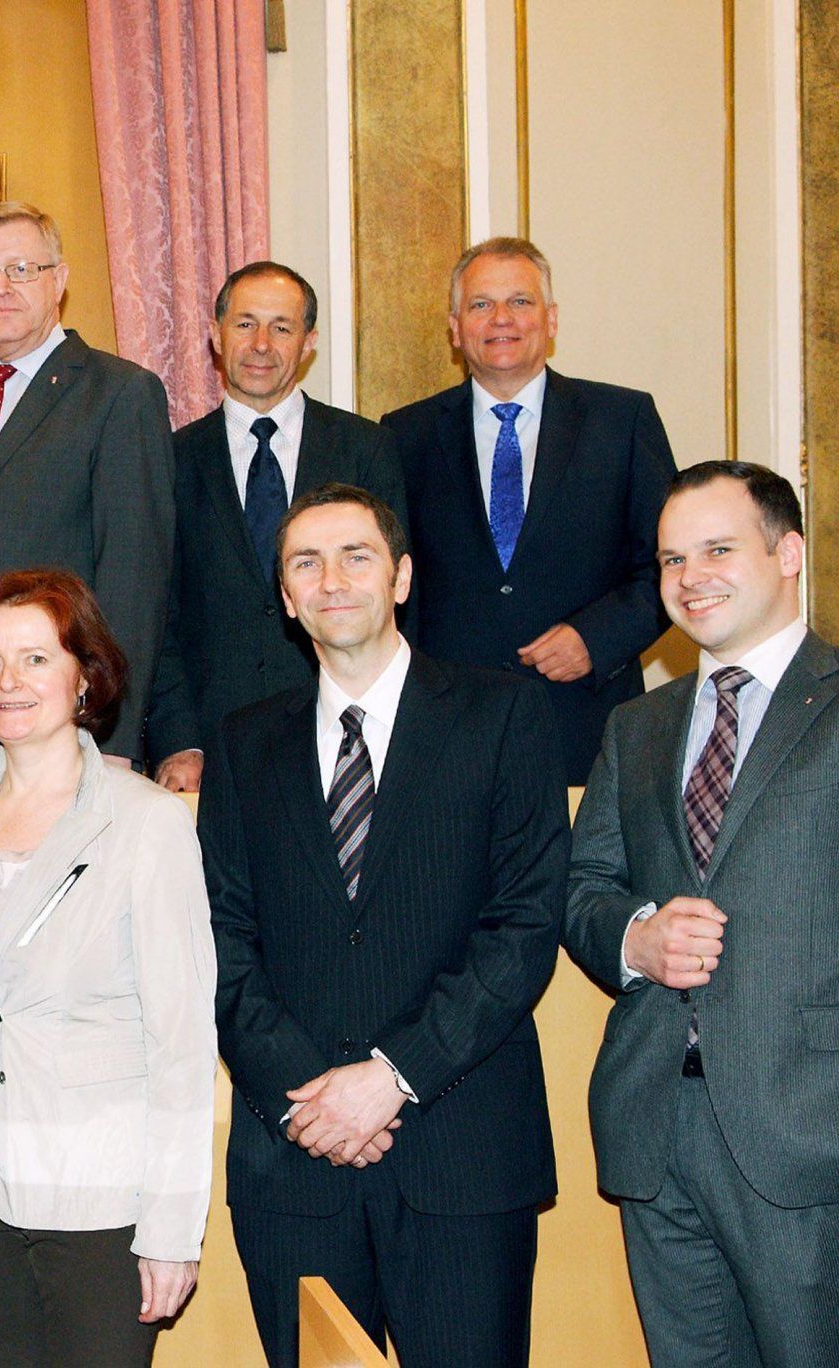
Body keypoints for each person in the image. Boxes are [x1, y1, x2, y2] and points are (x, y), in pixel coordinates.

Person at [198, 484, 568, 1366]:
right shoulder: (243, 743)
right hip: (297, 1158)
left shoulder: (506, 715)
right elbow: (219, 938)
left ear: (400, 576)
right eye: (305, 563)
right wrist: (310, 1098)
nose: (333, 580)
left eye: (356, 556)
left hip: (462, 1152)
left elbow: (522, 929)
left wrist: (391, 1078)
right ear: (285, 598)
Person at [0, 568, 216, 1367]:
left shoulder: (148, 825)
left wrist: (172, 1227)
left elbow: (181, 1044)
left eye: (36, 658)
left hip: (100, 1203)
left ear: (85, 676)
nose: (10, 681)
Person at [566, 461, 839, 1365]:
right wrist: (636, 941)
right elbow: (585, 892)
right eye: (672, 560)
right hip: (654, 1129)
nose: (690, 579)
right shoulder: (635, 726)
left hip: (809, 1135)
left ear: (788, 552)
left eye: (718, 549)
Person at [381, 236, 676, 784]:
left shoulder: (623, 421)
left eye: (520, 301)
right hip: (446, 728)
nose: (501, 319)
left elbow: (671, 565)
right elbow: (392, 581)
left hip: (586, 724)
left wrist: (596, 639)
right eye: (480, 304)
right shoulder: (404, 435)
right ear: (454, 326)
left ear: (552, 319)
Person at [0, 201, 173, 784]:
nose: (0, 288)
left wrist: (112, 734)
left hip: (64, 730)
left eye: (21, 269)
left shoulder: (119, 394)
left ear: (58, 280)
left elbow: (135, 578)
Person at [146, 261, 407, 793]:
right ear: (216, 337)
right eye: (244, 324)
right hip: (210, 749)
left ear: (308, 342)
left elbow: (393, 599)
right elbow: (155, 616)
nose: (261, 343)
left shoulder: (366, 448)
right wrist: (180, 740)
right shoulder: (170, 459)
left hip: (344, 737)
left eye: (281, 327)